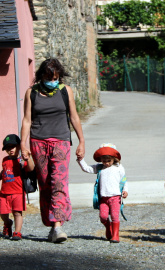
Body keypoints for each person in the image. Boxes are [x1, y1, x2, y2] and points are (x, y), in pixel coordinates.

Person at [20, 58, 85, 243]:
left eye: (56, 77)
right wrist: (23, 144)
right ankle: (51, 224)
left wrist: (81, 141)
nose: (53, 80)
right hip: (38, 143)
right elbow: (27, 120)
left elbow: (74, 116)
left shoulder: (65, 91)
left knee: (59, 182)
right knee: (45, 184)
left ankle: (58, 226)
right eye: (49, 77)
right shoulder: (31, 93)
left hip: (61, 142)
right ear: (41, 75)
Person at [77, 143, 128, 243]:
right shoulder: (100, 168)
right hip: (103, 198)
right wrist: (80, 160)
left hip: (115, 197)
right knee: (103, 217)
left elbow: (124, 180)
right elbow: (86, 168)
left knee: (114, 216)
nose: (106, 163)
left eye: (109, 161)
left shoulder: (119, 168)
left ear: (114, 159)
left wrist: (125, 190)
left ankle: (115, 235)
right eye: (104, 161)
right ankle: (108, 227)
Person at [0, 134, 34, 240]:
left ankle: (17, 232)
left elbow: (31, 168)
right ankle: (7, 223)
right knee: (2, 212)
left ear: (19, 147)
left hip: (18, 192)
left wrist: (28, 159)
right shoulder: (5, 160)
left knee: (17, 213)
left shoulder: (21, 161)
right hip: (4, 192)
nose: (10, 150)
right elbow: (5, 172)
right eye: (8, 148)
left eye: (13, 147)